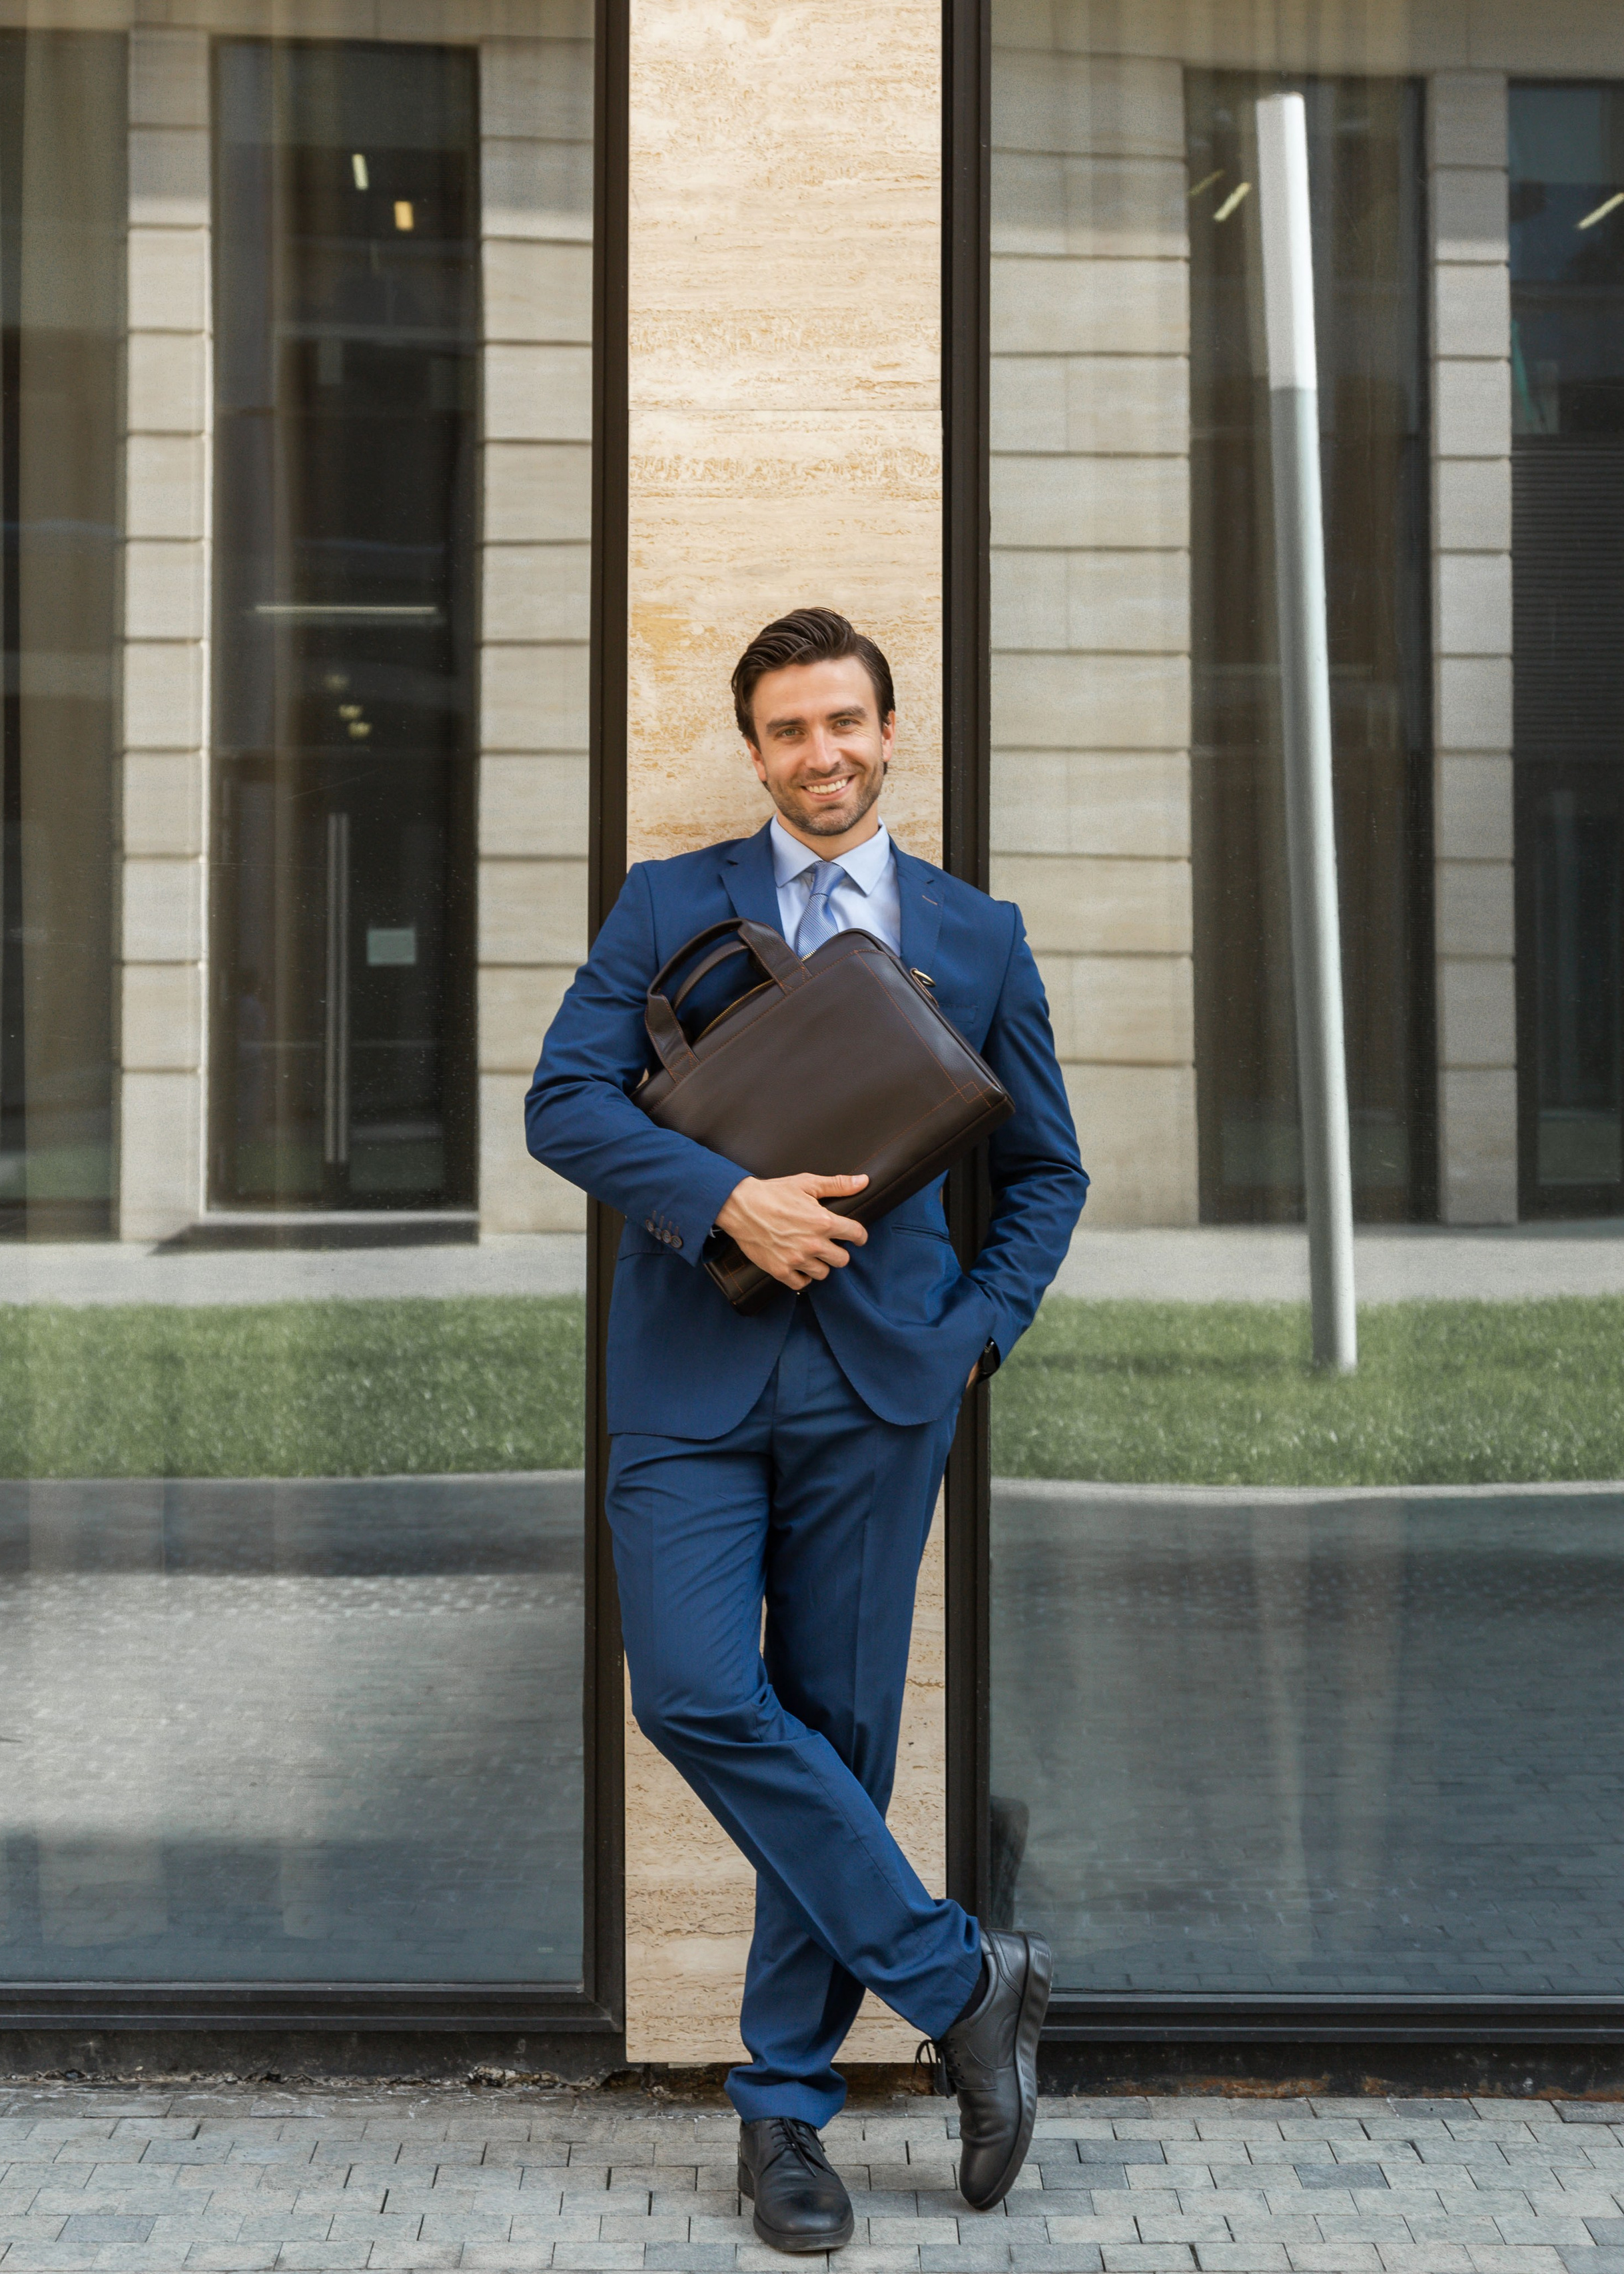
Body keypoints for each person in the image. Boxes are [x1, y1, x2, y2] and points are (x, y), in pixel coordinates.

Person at [526, 607, 1087, 2254]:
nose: (819, 755)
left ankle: (784, 2118)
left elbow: (1044, 1172)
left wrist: (972, 1337)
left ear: (889, 731)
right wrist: (724, 1201)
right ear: (754, 746)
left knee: (834, 1733)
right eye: (786, 730)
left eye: (843, 723)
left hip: (879, 1394)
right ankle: (959, 1981)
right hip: (688, 1380)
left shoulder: (976, 938)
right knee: (695, 1690)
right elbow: (563, 1100)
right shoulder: (667, 904)